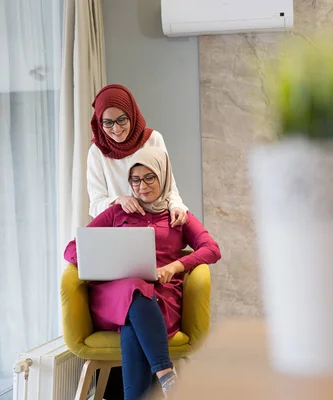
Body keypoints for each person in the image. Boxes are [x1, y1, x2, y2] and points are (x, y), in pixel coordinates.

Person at [65, 147, 221, 400]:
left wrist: (174, 267)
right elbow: (72, 248)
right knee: (132, 287)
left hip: (159, 301)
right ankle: (165, 372)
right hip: (112, 297)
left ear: (163, 176)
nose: (142, 186)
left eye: (150, 178)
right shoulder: (117, 212)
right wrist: (99, 262)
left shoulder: (177, 216)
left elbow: (212, 249)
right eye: (135, 180)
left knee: (132, 321)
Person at [87, 84, 188, 228]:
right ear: (99, 122)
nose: (116, 129)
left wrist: (177, 206)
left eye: (121, 120)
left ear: (131, 114)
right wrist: (119, 200)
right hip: (119, 231)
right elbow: (95, 205)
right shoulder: (96, 152)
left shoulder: (153, 139)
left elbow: (169, 188)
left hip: (156, 224)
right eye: (108, 123)